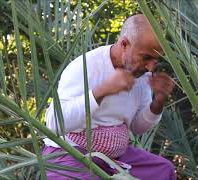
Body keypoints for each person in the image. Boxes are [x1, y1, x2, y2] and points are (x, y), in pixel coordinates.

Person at [42, 14, 176, 180]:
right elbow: (54, 123)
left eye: (156, 59)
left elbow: (137, 127)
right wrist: (103, 90)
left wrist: (158, 102)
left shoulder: (142, 76)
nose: (150, 67)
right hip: (71, 152)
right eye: (146, 57)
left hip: (115, 158)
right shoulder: (85, 66)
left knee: (163, 170)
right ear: (124, 44)